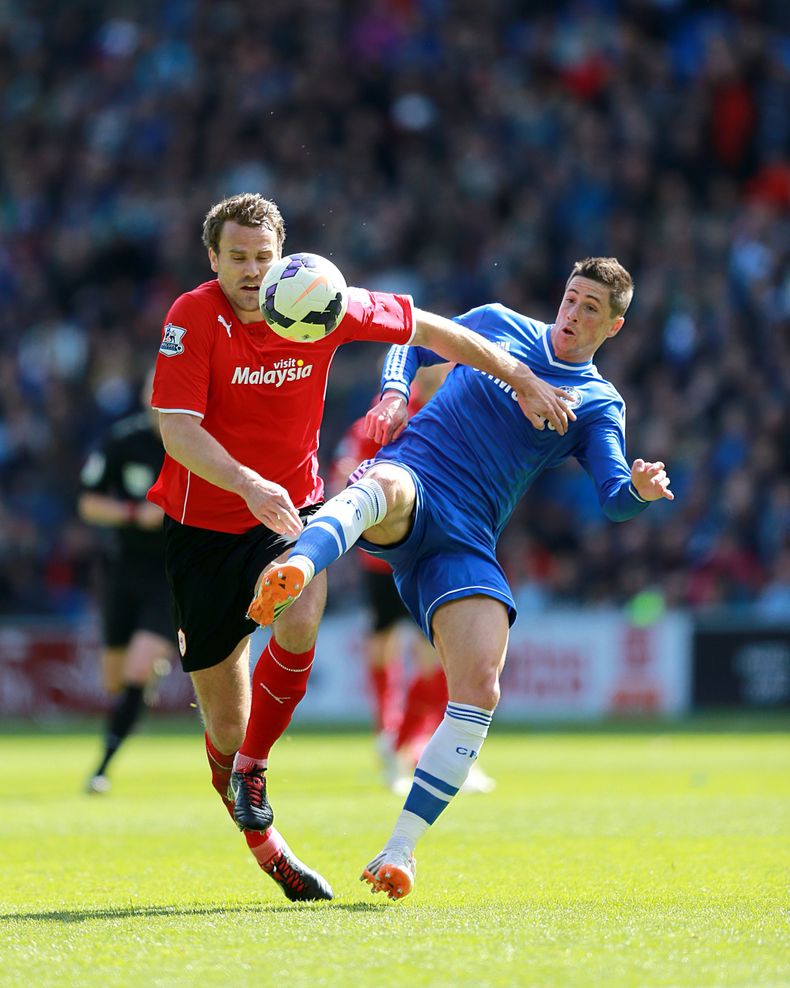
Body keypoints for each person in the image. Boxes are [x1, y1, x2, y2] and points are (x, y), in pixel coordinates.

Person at [146, 192, 575, 902]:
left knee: (304, 604)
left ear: (281, 256)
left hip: (290, 512)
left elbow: (439, 331)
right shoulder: (194, 316)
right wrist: (249, 484)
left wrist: (524, 377)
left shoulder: (318, 299)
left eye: (263, 257)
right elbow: (179, 431)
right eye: (239, 258)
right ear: (212, 258)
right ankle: (266, 843)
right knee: (222, 723)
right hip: (203, 530)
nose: (253, 271)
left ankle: (255, 767)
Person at [248, 256, 675, 900]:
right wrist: (394, 392)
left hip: (468, 538)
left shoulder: (596, 405)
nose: (574, 314)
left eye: (592, 309)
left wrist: (639, 490)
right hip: (417, 477)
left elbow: (613, 495)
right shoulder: (499, 324)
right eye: (571, 297)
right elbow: (410, 339)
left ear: (613, 327)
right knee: (383, 482)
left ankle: (399, 853)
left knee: (481, 686)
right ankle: (299, 564)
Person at [332, 367, 495, 796]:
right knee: (385, 650)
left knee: (436, 659)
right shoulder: (387, 414)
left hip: (428, 558)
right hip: (383, 562)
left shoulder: (453, 413)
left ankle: (409, 746)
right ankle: (391, 738)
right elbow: (347, 466)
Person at [79, 371, 176, 794]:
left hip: (169, 573)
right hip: (123, 569)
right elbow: (88, 503)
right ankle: (143, 684)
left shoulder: (198, 442)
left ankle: (102, 767)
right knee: (115, 681)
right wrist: (136, 515)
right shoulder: (122, 442)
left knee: (136, 667)